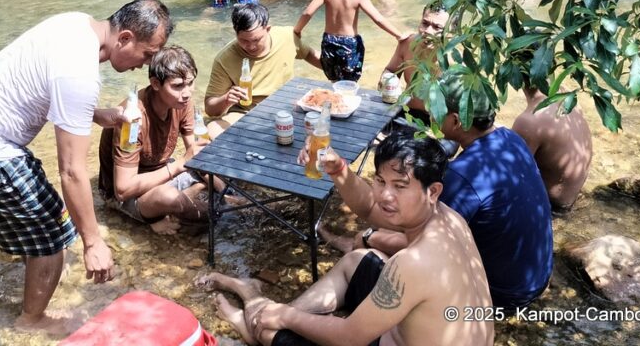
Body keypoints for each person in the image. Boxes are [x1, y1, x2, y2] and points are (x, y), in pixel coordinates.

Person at [0, 0, 172, 334]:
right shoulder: (80, 74)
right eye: (146, 55)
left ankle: (34, 266)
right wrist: (93, 242)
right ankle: (31, 320)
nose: (144, 66)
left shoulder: (75, 21)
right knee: (54, 232)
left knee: (37, 224)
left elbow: (42, 86)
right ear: (125, 38)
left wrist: (98, 115)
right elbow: (71, 171)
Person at [195, 136, 493, 346]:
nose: (385, 195)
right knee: (358, 259)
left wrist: (287, 316)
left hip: (371, 337)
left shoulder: (413, 263)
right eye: (380, 181)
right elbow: (369, 209)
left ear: (433, 190)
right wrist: (337, 169)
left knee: (275, 332)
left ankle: (258, 323)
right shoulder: (449, 218)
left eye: (400, 186)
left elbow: (350, 338)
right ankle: (262, 315)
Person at [354, 76, 554, 310]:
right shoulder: (511, 138)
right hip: (536, 278)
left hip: (500, 294)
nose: (431, 113)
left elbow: (424, 246)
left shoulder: (462, 176)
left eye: (436, 107)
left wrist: (369, 237)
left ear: (456, 121)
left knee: (375, 253)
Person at [98, 45, 209, 234]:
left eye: (190, 83)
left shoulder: (182, 101)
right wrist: (178, 165)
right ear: (156, 84)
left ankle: (217, 199)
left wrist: (224, 189)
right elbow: (122, 190)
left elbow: (196, 152)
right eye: (177, 86)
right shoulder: (132, 119)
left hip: (161, 172)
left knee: (213, 159)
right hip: (128, 193)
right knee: (169, 198)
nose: (187, 92)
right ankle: (220, 213)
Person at [293, 0, 406, 83]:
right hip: (350, 44)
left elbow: (307, 13)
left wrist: (297, 31)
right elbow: (378, 19)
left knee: (333, 78)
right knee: (349, 82)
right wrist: (399, 35)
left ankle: (336, 97)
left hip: (329, 41)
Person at [205, 3, 316, 129]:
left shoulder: (286, 36)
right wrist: (226, 99)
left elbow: (309, 55)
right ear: (235, 33)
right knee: (213, 128)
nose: (251, 46)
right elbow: (210, 109)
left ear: (268, 29)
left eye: (257, 40)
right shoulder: (224, 59)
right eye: (244, 41)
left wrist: (338, 71)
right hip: (246, 112)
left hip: (287, 106)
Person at [511, 79, 593, 211]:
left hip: (552, 208)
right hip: (572, 197)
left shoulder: (529, 121)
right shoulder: (567, 94)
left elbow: (511, 177)